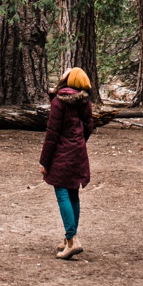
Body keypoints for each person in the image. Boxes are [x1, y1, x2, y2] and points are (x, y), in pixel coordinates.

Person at [40, 67, 95, 259]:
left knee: (62, 193)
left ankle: (72, 240)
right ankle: (69, 237)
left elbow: (52, 133)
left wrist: (44, 161)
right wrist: (78, 141)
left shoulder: (59, 101)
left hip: (61, 152)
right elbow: (88, 126)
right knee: (73, 193)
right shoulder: (85, 101)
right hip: (78, 151)